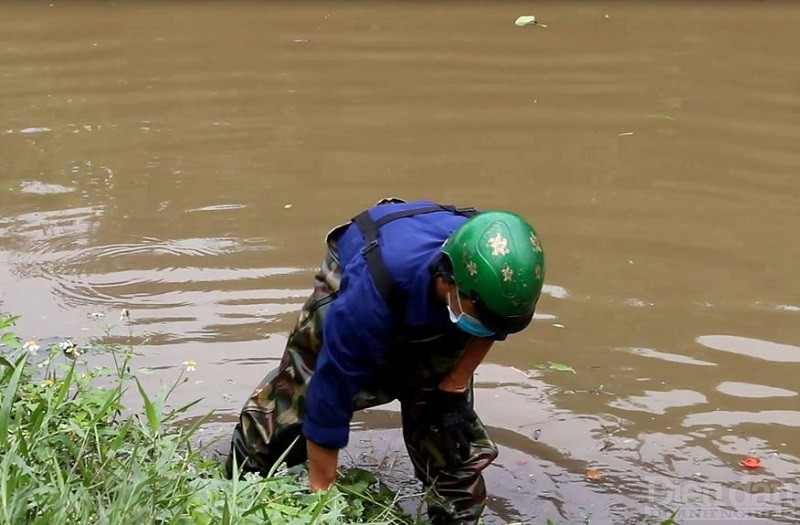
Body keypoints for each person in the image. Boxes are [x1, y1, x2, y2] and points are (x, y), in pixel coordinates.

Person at [226, 198, 545, 524]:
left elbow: (492, 325)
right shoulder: (369, 296)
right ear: (448, 279)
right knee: (299, 398)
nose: (491, 328)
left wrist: (453, 387)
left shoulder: (502, 273)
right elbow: (330, 394)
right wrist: (322, 503)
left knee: (449, 428)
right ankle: (235, 488)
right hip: (362, 272)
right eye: (485, 317)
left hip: (445, 292)